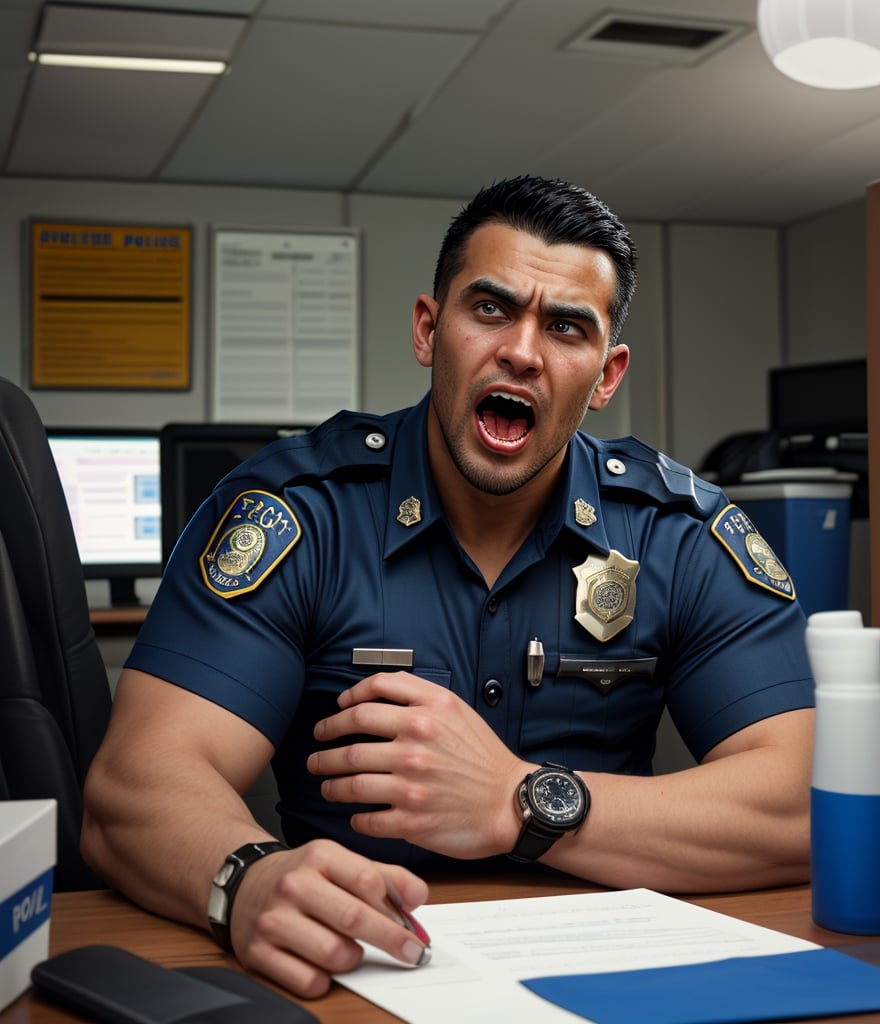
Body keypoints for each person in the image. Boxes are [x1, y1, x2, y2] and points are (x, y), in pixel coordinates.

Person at [82, 175, 814, 999]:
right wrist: (247, 877)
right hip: (348, 969)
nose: (524, 352)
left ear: (606, 376)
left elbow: (803, 804)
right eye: (491, 309)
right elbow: (133, 786)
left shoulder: (677, 532)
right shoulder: (303, 514)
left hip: (607, 975)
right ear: (431, 330)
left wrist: (522, 801)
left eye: (566, 327)